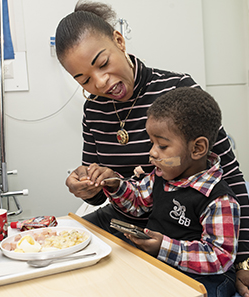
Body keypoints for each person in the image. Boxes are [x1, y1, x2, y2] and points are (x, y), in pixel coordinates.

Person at [55, 1, 249, 296]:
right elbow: (99, 188)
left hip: (176, 229)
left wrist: (245, 263)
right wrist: (90, 184)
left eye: (103, 64)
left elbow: (230, 178)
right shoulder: (93, 109)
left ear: (119, 40)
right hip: (122, 219)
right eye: (84, 80)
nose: (100, 82)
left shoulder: (178, 91)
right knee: (62, 253)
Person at [86, 87, 240, 297]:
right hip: (162, 264)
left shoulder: (218, 198)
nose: (152, 152)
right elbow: (137, 202)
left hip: (206, 278)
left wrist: (163, 248)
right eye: (152, 143)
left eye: (163, 145)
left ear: (197, 149)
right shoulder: (161, 177)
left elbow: (219, 257)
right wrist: (114, 184)